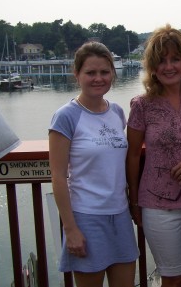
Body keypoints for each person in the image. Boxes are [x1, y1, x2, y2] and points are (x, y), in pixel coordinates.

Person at [127, 24, 181, 287]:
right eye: (161, 61)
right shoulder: (142, 105)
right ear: (153, 68)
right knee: (173, 277)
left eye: (175, 59)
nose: (169, 66)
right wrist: (134, 202)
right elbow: (133, 155)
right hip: (158, 204)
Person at [49, 41, 139, 287]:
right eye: (90, 72)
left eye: (104, 72)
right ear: (76, 74)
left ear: (113, 74)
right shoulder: (66, 116)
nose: (98, 78)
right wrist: (71, 229)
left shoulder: (117, 112)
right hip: (86, 218)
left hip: (120, 215)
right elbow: (57, 176)